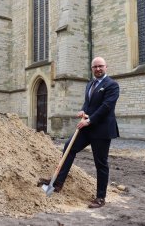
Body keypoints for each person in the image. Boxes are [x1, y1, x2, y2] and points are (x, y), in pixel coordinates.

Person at [38, 56, 119, 208]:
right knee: (69, 148)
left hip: (101, 130)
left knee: (100, 163)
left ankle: (100, 197)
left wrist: (89, 120)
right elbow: (89, 103)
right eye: (95, 67)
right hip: (87, 127)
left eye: (100, 66)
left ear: (106, 67)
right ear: (92, 69)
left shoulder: (112, 85)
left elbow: (106, 107)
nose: (98, 69)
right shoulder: (90, 84)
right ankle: (57, 183)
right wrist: (84, 111)